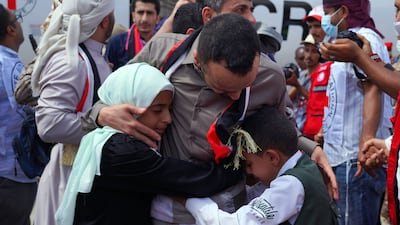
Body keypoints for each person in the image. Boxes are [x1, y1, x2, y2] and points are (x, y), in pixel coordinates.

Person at [82, 5, 337, 225]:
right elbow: (111, 94)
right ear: (198, 61)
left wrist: (311, 148)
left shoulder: (270, 77)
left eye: (245, 87)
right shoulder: (163, 53)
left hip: (226, 207)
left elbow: (280, 126)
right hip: (162, 206)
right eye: (225, 90)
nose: (237, 97)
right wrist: (102, 113)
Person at [56, 63, 242, 225]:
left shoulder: (104, 140)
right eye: (158, 110)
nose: (168, 119)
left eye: (169, 109)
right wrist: (240, 166)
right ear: (129, 106)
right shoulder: (122, 151)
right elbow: (194, 180)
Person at [30, 1, 115, 225]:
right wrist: (99, 120)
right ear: (105, 20)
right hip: (67, 177)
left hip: (86, 176)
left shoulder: (91, 56)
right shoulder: (71, 61)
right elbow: (49, 124)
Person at [184, 106, 339, 225]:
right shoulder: (306, 167)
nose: (248, 172)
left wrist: (194, 201)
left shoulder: (290, 184)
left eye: (249, 163)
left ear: (272, 157)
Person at [318, 1, 400, 224]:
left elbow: (372, 85)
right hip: (344, 158)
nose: (326, 21)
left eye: (327, 14)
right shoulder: (348, 40)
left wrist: (365, 143)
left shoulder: (361, 38)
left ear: (342, 12)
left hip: (354, 159)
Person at [0, 4, 37, 225]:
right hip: (11, 173)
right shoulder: (9, 66)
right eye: (17, 19)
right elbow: (28, 111)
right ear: (11, 29)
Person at [106, 0, 160, 71]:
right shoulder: (116, 43)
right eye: (140, 13)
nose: (144, 19)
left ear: (157, 18)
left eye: (149, 13)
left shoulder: (163, 45)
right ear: (133, 16)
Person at [299, 34, 331, 142]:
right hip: (305, 127)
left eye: (313, 51)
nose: (308, 56)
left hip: (318, 131)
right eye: (306, 50)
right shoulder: (302, 75)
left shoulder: (326, 72)